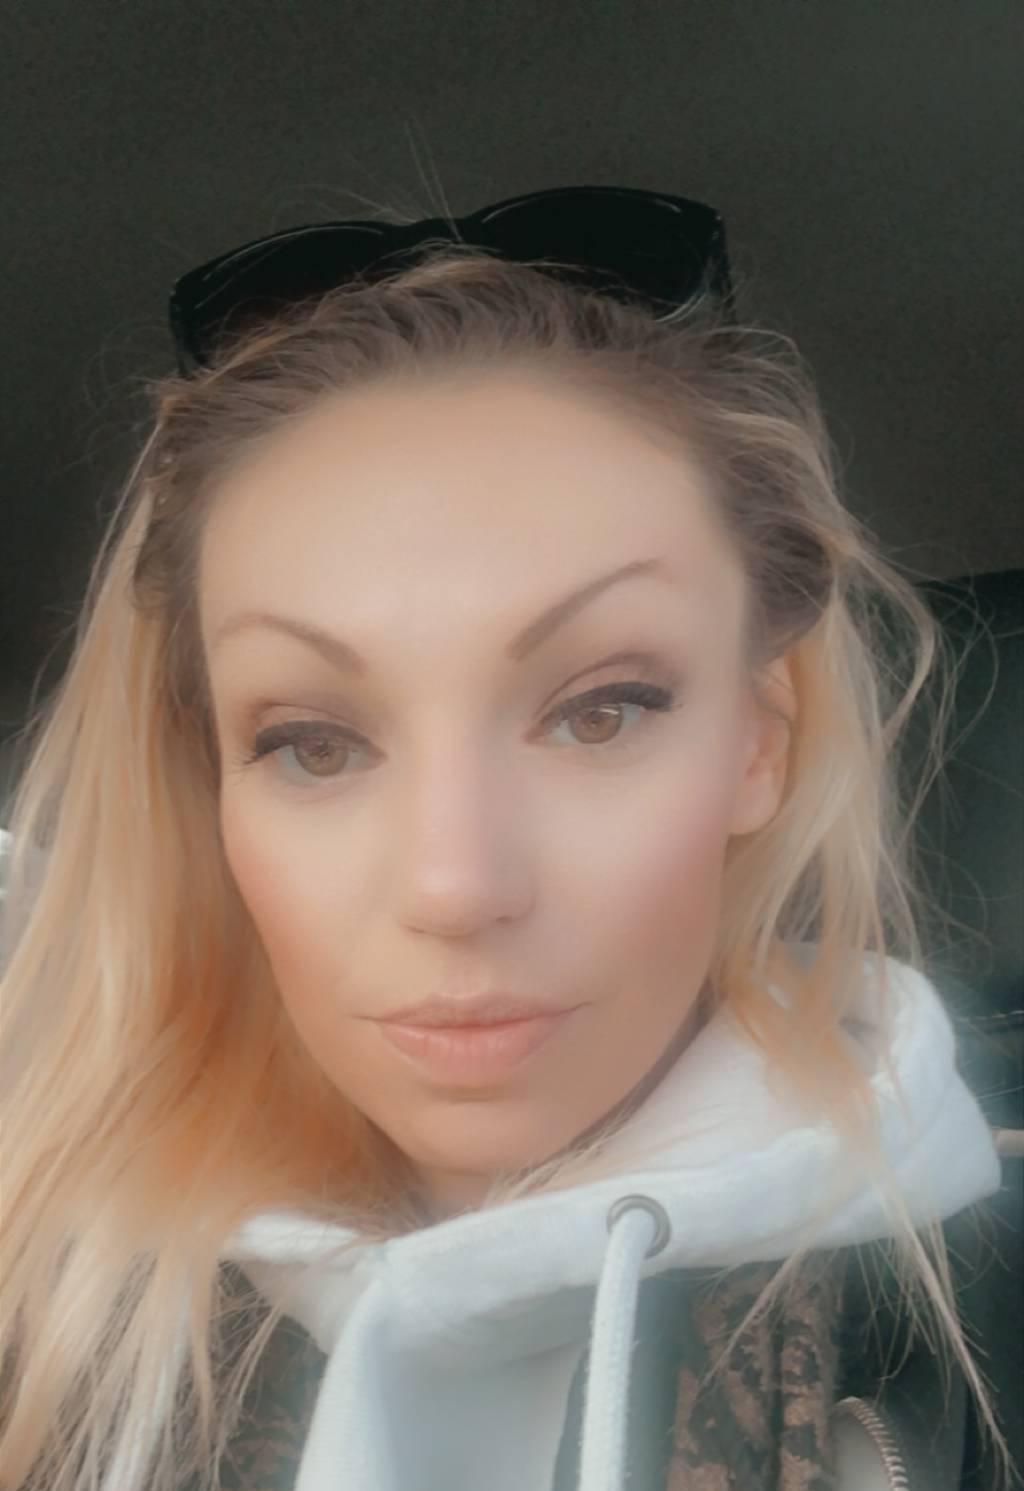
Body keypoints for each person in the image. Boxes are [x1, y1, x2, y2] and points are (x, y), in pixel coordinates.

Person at [0, 189, 1015, 1491]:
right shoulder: (54, 1325)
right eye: (314, 743)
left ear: (760, 746)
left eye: (601, 711)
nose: (455, 885)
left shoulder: (983, 1329)